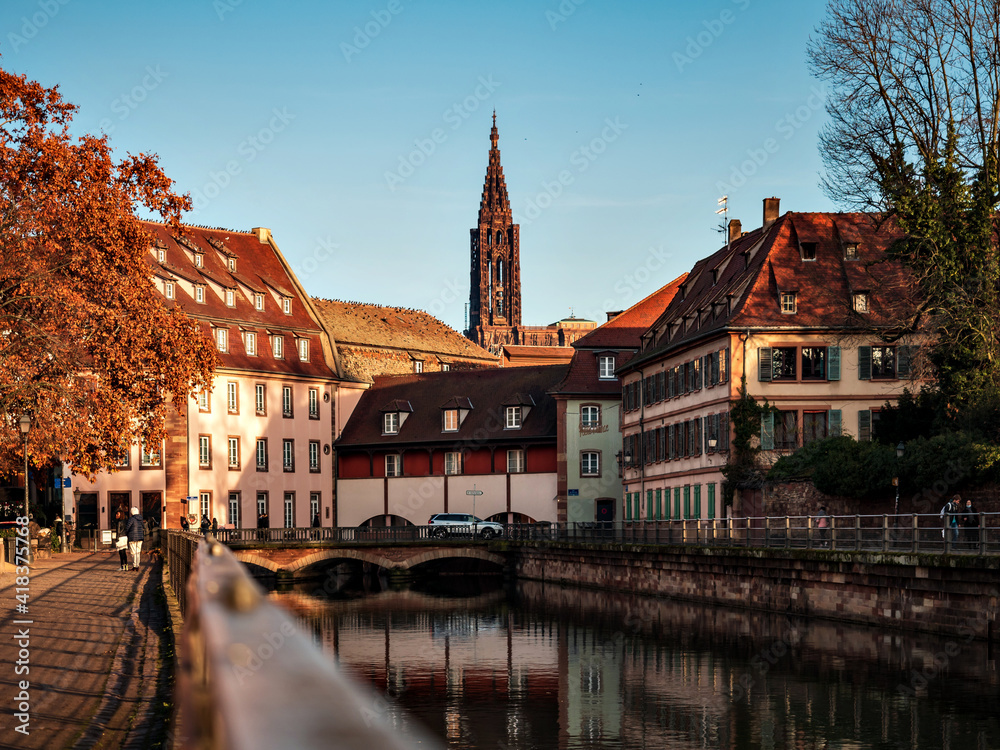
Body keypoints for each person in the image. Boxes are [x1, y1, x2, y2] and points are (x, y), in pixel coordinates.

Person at [125, 507, 145, 571]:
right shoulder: (141, 519)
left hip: (132, 537)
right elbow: (143, 527)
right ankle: (138, 565)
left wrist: (127, 533)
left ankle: (134, 566)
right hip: (140, 537)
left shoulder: (131, 519)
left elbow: (127, 528)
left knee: (133, 552)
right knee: (138, 552)